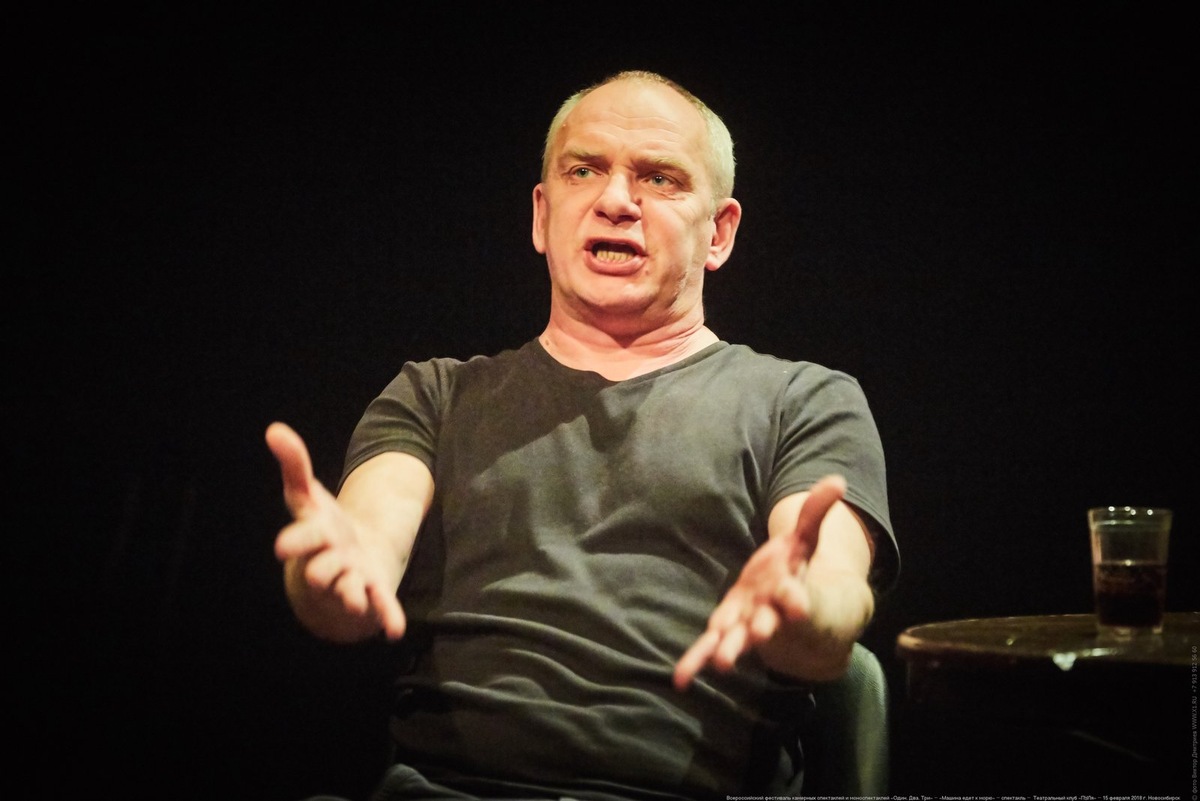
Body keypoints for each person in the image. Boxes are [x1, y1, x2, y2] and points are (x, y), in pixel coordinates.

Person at [267, 69, 898, 801]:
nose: (617, 200)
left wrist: (805, 612)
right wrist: (327, 577)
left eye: (659, 178)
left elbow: (831, 589)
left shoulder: (804, 402)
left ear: (719, 232)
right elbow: (365, 544)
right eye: (584, 170)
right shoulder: (434, 396)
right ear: (542, 215)